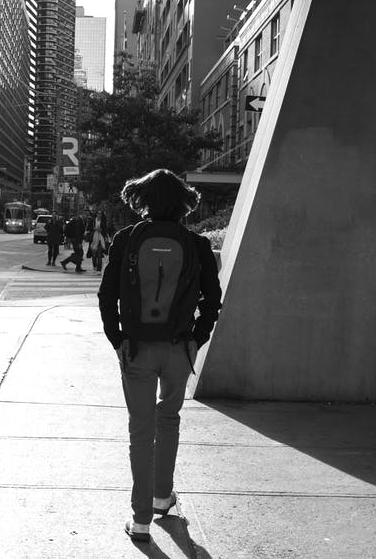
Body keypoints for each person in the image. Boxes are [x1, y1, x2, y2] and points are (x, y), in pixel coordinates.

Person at [97, 169, 222, 544]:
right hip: (178, 349)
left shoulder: (127, 239)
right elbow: (213, 300)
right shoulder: (197, 244)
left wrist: (117, 339)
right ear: (184, 203)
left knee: (141, 429)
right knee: (169, 419)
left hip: (137, 348)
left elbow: (106, 296)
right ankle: (162, 497)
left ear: (143, 200)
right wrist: (197, 339)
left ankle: (140, 521)